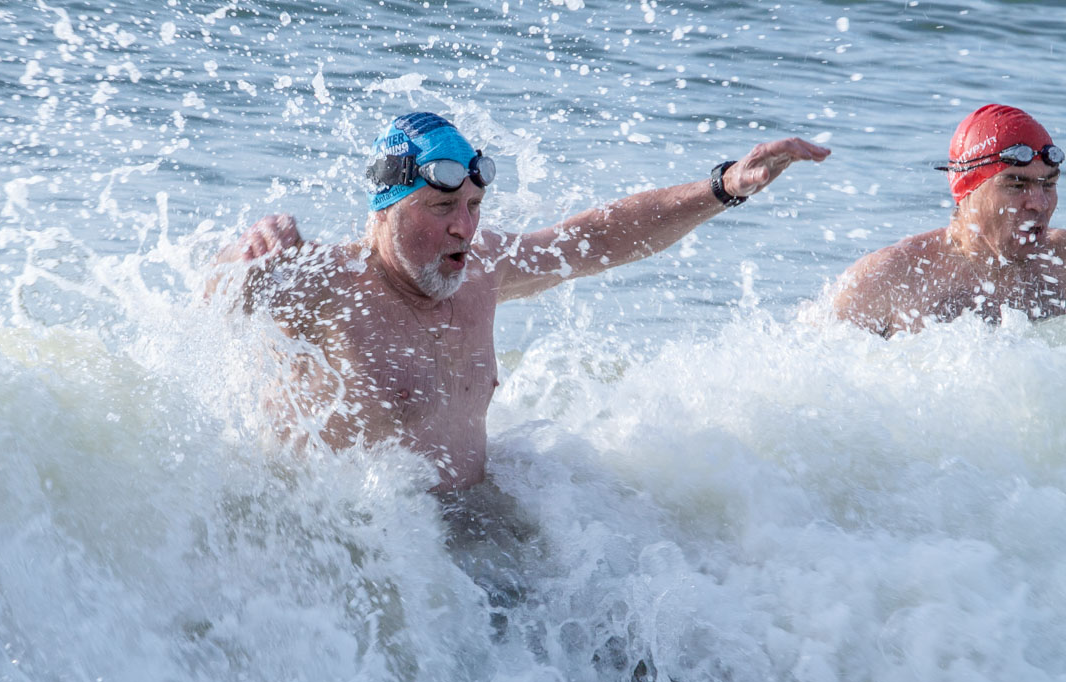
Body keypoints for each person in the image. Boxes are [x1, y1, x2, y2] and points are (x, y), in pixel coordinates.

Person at [210, 111, 829, 490]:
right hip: (367, 556)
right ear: (384, 211)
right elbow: (205, 312)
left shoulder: (480, 270)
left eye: (474, 208)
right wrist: (240, 262)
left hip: (470, 531)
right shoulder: (327, 284)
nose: (464, 229)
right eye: (442, 208)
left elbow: (593, 239)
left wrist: (722, 187)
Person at [832, 104, 1065, 337]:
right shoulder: (889, 280)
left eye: (1048, 185)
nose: (1040, 203)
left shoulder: (1061, 263)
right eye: (1016, 186)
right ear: (967, 187)